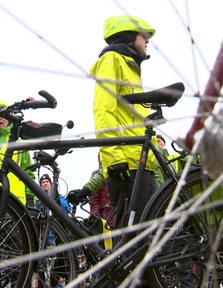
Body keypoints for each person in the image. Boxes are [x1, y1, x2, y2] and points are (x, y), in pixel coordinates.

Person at [90, 16, 158, 230]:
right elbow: (103, 110)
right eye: (143, 35)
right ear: (129, 36)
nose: (147, 40)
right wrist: (114, 157)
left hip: (141, 160)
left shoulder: (131, 68)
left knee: (148, 230)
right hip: (126, 162)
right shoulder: (112, 60)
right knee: (132, 234)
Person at [67, 153, 115, 228]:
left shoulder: (117, 171)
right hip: (104, 217)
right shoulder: (96, 174)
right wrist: (96, 218)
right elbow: (93, 200)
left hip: (118, 213)